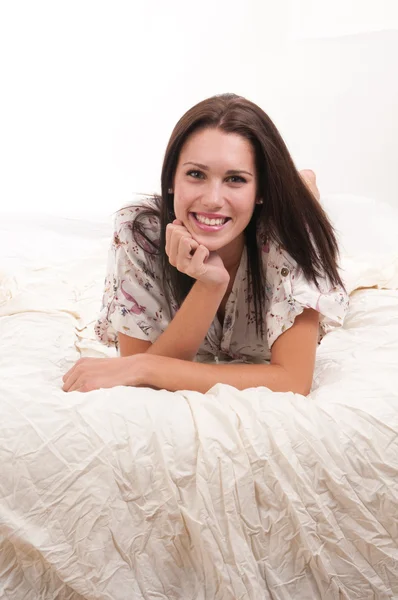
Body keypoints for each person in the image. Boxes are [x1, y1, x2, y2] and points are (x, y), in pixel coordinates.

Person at [62, 93, 349, 396]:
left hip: (281, 220)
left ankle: (303, 187)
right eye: (196, 174)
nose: (212, 200)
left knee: (301, 206)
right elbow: (137, 381)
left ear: (261, 190)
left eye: (235, 179)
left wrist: (144, 366)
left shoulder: (292, 234)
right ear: (171, 179)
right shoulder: (139, 233)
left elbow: (293, 381)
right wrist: (209, 286)